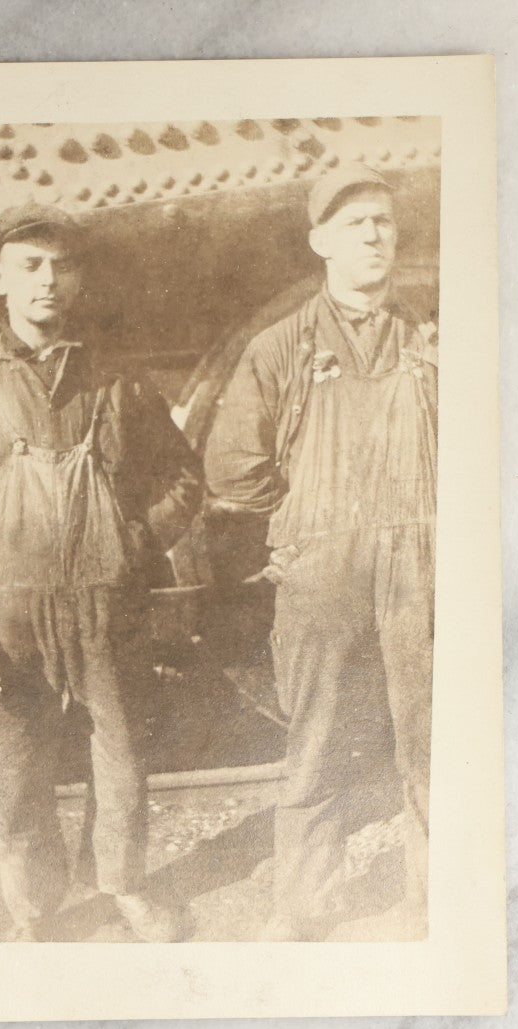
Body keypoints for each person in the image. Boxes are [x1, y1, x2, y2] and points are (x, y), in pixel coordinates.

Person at [0, 202, 202, 941]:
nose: (47, 282)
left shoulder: (116, 381)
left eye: (61, 266)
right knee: (13, 773)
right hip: (8, 613)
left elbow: (185, 479)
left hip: (107, 604)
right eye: (29, 265)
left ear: (80, 278)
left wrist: (132, 541)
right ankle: (35, 911)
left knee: (122, 756)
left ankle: (124, 886)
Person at [204, 163, 437, 940]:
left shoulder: (430, 338)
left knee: (432, 732)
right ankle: (306, 905)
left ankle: (435, 900)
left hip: (422, 567)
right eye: (353, 223)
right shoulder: (279, 348)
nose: (373, 234)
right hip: (322, 573)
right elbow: (231, 468)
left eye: (382, 222)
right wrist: (304, 523)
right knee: (316, 740)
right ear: (320, 242)